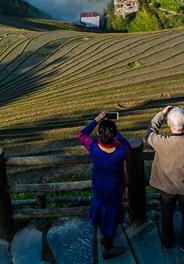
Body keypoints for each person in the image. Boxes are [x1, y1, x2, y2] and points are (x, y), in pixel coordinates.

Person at [146, 105, 184, 252]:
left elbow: (150, 132)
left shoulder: (161, 142)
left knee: (166, 213)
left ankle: (167, 242)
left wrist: (162, 113)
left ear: (169, 124)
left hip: (166, 187)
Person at [78, 111, 130, 259]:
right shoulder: (121, 151)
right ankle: (108, 247)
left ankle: (104, 235)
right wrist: (115, 132)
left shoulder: (93, 147)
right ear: (113, 135)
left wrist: (97, 120)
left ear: (99, 135)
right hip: (113, 189)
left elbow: (81, 134)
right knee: (110, 216)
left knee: (102, 210)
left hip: (98, 186)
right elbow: (127, 145)